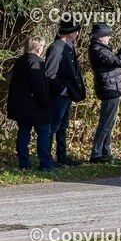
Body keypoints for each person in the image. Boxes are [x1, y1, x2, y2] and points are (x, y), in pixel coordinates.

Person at [87, 23, 121, 163]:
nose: (109, 37)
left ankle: (105, 151)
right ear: (100, 37)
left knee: (110, 122)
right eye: (107, 35)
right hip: (109, 89)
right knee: (106, 123)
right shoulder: (98, 50)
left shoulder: (101, 49)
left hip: (112, 88)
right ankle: (96, 153)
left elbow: (116, 60)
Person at [6, 36, 55, 170]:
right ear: (39, 48)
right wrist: (47, 104)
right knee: (44, 133)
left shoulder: (20, 61)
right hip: (36, 107)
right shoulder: (36, 63)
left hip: (21, 106)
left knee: (23, 134)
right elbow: (39, 88)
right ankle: (45, 163)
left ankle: (24, 164)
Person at [45, 15, 86, 167]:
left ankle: (62, 157)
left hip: (67, 94)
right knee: (53, 127)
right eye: (75, 31)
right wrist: (63, 90)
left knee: (63, 127)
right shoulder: (56, 48)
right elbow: (49, 74)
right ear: (69, 32)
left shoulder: (68, 48)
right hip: (58, 96)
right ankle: (46, 158)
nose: (77, 34)